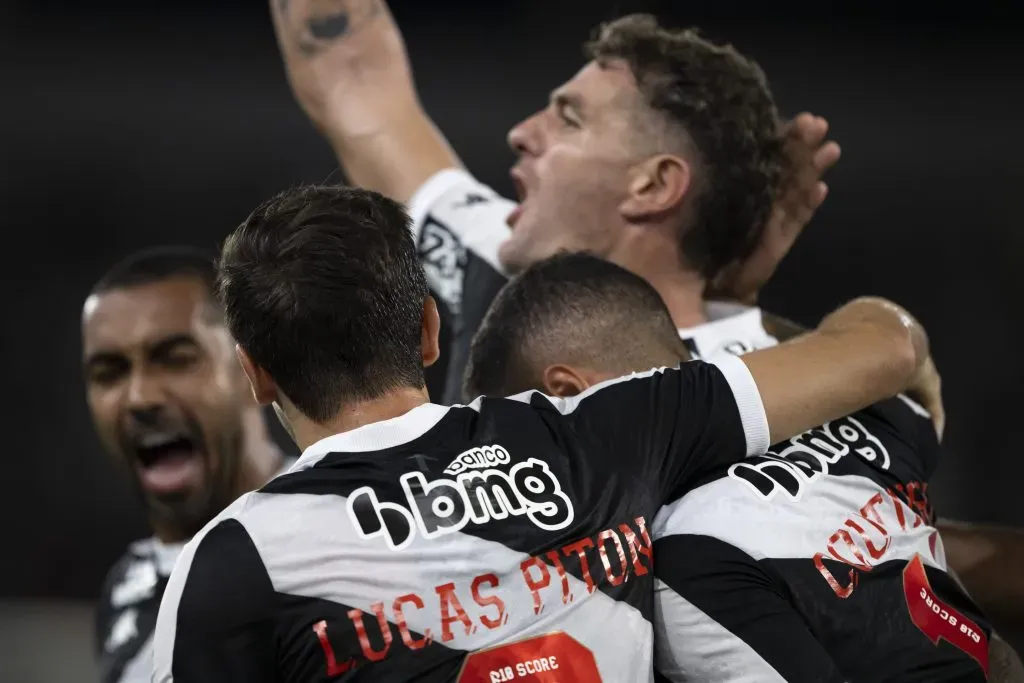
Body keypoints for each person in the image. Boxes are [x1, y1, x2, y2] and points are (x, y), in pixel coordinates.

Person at [153, 185, 932, 682]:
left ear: (254, 374)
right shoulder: (607, 429)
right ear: (429, 330)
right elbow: (886, 348)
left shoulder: (235, 563)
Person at [463, 252, 1023, 682]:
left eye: (538, 444)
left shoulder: (686, 560)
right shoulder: (872, 413)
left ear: (567, 394)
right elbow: (889, 343)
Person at [269, 1, 840, 404]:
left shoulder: (777, 396)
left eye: (569, 118)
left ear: (653, 186)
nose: (520, 133)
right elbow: (351, 78)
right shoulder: (502, 258)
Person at [84, 247, 290, 683]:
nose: (140, 398)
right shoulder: (127, 592)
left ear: (253, 367)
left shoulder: (344, 534)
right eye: (109, 373)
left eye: (177, 359)